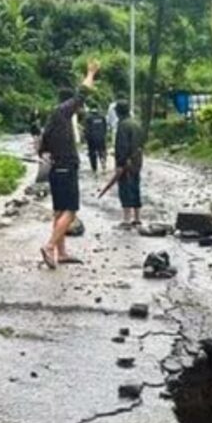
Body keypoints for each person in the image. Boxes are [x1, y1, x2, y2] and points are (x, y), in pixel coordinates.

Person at [38, 60, 100, 269]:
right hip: (66, 168)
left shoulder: (50, 121)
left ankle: (61, 253)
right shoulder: (62, 113)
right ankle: (49, 247)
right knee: (71, 211)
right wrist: (91, 72)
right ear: (68, 105)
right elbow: (82, 93)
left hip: (56, 169)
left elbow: (42, 149)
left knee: (59, 212)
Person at [114, 100, 144, 227]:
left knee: (125, 189)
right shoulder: (136, 124)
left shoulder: (123, 125)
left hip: (127, 162)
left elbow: (122, 146)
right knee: (136, 187)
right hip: (137, 161)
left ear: (117, 112)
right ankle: (137, 217)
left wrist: (120, 164)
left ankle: (126, 219)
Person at [84, 109, 108, 174]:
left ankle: (94, 169)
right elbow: (105, 128)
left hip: (92, 139)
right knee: (102, 151)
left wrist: (86, 138)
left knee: (92, 154)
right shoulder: (102, 117)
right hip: (101, 138)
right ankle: (103, 163)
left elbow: (86, 130)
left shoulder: (88, 118)